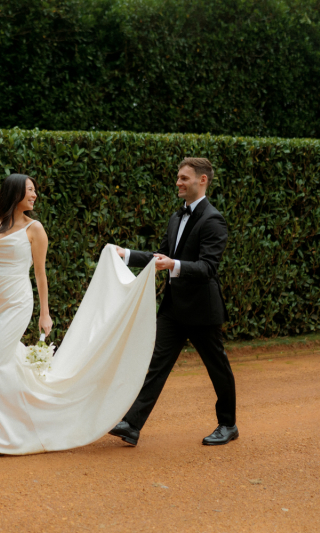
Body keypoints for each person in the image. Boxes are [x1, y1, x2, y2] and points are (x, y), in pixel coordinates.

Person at [0, 174, 158, 458]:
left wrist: (45, 313)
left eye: (35, 191)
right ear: (14, 193)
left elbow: (40, 275)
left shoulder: (35, 228)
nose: (35, 195)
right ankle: (25, 423)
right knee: (8, 365)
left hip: (19, 301)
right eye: (30, 190)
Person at [109, 157, 238, 447]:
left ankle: (228, 424)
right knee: (157, 365)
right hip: (173, 310)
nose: (178, 182)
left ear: (202, 180)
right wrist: (126, 254)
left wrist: (174, 265)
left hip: (202, 311)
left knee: (217, 368)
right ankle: (132, 424)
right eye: (178, 178)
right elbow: (161, 257)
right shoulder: (175, 217)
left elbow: (207, 268)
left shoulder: (213, 219)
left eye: (184, 178)